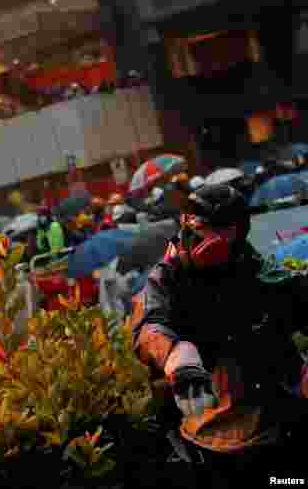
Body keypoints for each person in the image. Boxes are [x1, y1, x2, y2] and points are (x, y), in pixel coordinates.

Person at [131, 184, 308, 487]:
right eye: (194, 230)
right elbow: (149, 325)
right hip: (215, 438)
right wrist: (176, 355)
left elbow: (295, 297)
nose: (198, 241)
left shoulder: (254, 270)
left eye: (211, 233)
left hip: (277, 421)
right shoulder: (168, 279)